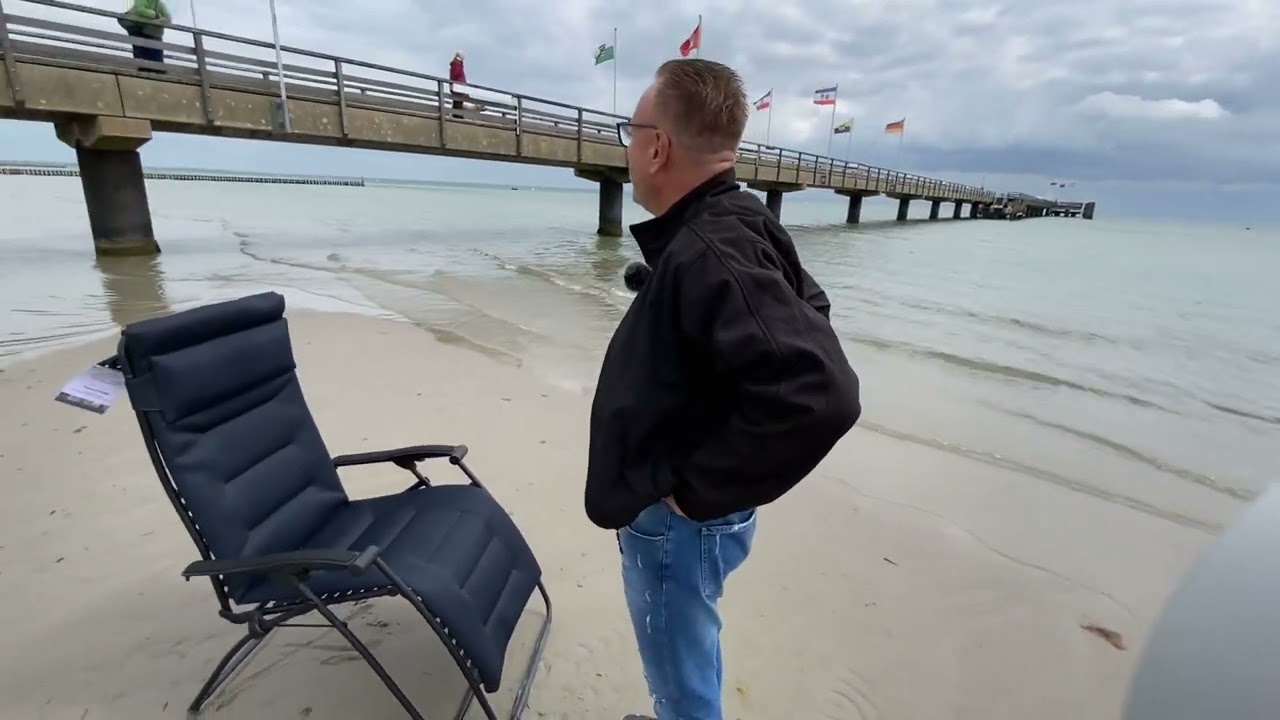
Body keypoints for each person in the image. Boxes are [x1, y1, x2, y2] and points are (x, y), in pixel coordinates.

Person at [585, 59, 861, 720]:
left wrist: (691, 493)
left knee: (680, 677)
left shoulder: (711, 248)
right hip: (690, 512)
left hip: (678, 522)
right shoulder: (736, 221)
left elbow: (822, 392)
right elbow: (809, 311)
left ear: (658, 146)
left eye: (632, 132)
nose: (628, 146)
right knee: (687, 650)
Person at [118, 0, 171, 71]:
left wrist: (155, 22)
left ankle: (157, 66)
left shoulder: (159, 4)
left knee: (152, 41)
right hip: (133, 24)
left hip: (146, 27)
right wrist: (156, 16)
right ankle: (145, 66)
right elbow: (140, 10)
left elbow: (168, 19)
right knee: (139, 45)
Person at [449, 51, 468, 116]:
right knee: (458, 100)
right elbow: (456, 74)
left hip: (458, 84)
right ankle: (457, 115)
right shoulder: (457, 64)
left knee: (458, 100)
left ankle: (456, 114)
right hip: (458, 85)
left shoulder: (458, 64)